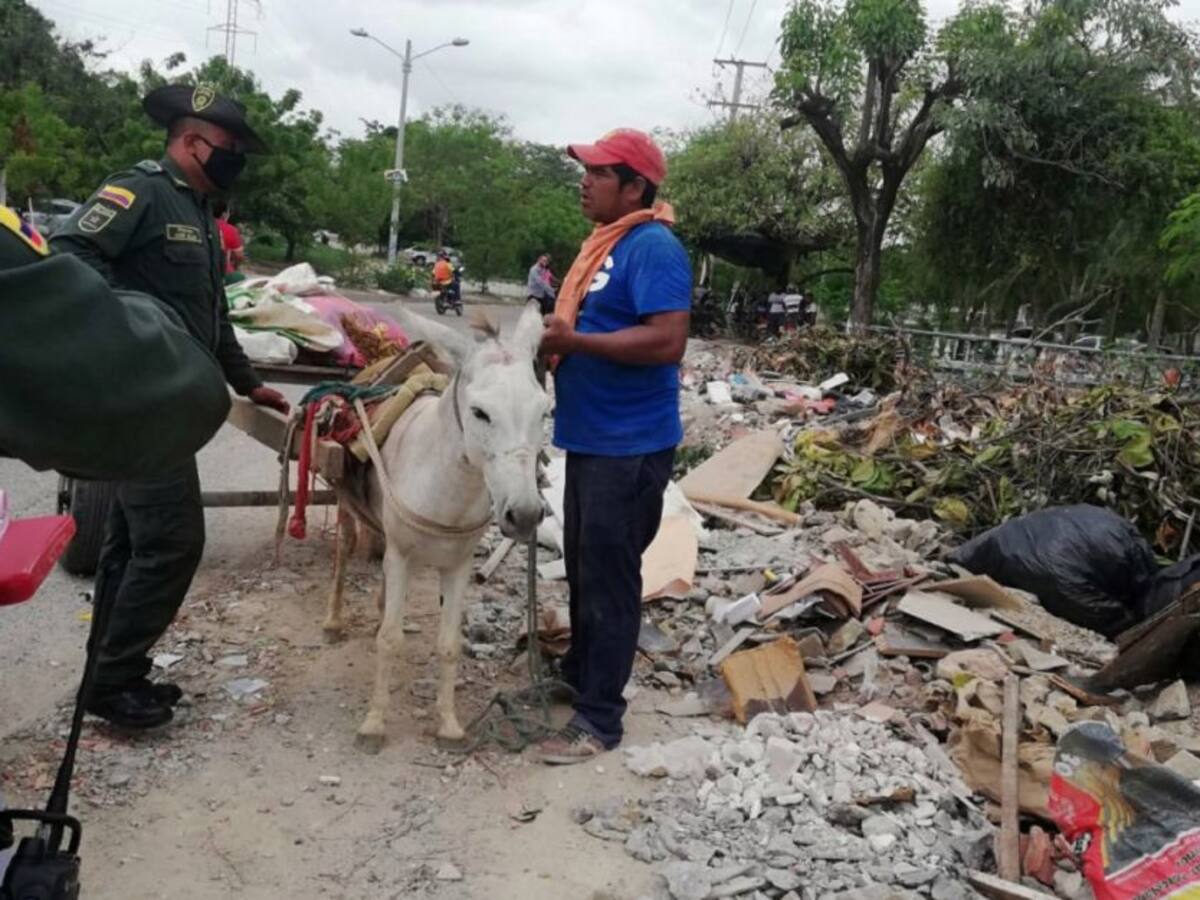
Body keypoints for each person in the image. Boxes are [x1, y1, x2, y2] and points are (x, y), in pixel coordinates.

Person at [50, 83, 289, 731]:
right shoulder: (141, 192)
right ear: (191, 141)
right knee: (175, 541)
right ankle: (113, 681)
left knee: (130, 545)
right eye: (229, 148)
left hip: (168, 404)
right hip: (137, 405)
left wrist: (247, 383)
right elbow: (69, 258)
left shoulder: (201, 216)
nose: (234, 159)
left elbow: (211, 320)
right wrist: (130, 335)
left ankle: (110, 670)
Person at [537, 128, 691, 764]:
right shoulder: (604, 246)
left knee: (610, 579)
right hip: (592, 438)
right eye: (587, 169)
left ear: (636, 188)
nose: (586, 179)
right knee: (583, 564)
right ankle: (580, 673)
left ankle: (601, 719)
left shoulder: (652, 246)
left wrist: (576, 345)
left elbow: (666, 342)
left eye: (600, 172)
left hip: (629, 445)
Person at [0, 206, 230, 479]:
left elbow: (216, 305)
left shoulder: (198, 210)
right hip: (150, 397)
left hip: (153, 403)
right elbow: (73, 250)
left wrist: (245, 379)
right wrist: (113, 305)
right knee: (162, 511)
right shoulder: (143, 192)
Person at [212, 198, 245, 283]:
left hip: (199, 270)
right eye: (229, 212)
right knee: (239, 278)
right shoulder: (230, 229)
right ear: (224, 214)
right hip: (222, 272)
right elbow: (239, 256)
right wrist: (235, 266)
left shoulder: (197, 223)